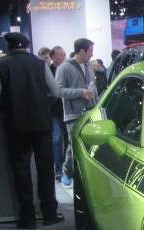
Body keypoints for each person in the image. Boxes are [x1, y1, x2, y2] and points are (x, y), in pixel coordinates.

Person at [0, 32, 64, 229]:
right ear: (27, 46)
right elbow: (55, 92)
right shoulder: (40, 64)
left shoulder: (1, 65)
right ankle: (49, 213)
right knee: (45, 169)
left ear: (9, 47)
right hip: (42, 123)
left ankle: (27, 217)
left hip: (16, 125)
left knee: (21, 171)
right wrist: (42, 104)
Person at [56, 38, 96, 188]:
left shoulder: (89, 68)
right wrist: (80, 92)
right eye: (90, 51)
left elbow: (94, 88)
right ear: (81, 51)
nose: (92, 54)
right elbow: (58, 90)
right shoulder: (64, 68)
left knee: (90, 145)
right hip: (73, 114)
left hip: (90, 112)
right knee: (74, 145)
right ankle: (67, 172)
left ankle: (84, 174)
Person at [49, 46, 68, 182]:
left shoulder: (66, 70)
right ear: (53, 57)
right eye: (61, 55)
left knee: (68, 140)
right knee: (57, 139)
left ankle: (67, 169)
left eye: (64, 55)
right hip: (53, 111)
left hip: (67, 111)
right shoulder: (48, 71)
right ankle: (58, 170)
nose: (63, 57)